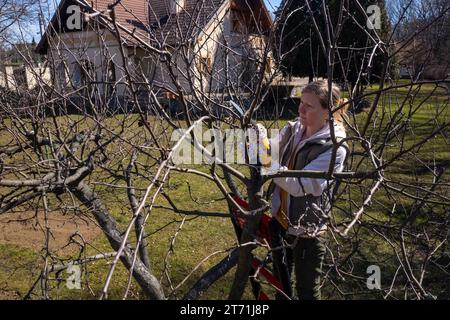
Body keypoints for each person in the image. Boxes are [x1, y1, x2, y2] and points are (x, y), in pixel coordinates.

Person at [266, 80, 349, 300]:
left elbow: (299, 185)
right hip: (280, 224)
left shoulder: (335, 148)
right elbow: (269, 148)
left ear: (328, 112)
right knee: (281, 288)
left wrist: (269, 165)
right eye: (301, 102)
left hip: (308, 231)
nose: (300, 109)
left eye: (309, 106)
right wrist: (259, 140)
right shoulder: (295, 129)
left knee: (307, 293)